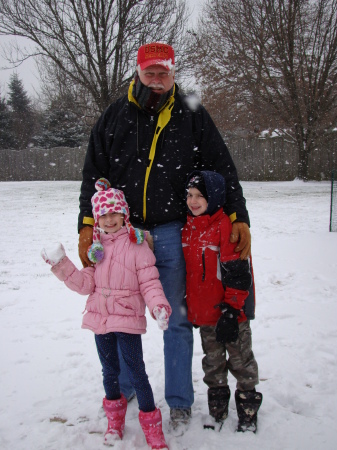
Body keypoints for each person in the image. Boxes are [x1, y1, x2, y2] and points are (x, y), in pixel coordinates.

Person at [77, 41, 252, 430]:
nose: (157, 79)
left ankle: (178, 400)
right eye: (150, 72)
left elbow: (222, 166)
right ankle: (123, 388)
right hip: (122, 234)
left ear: (173, 72)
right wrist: (87, 226)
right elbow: (93, 175)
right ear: (138, 72)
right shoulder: (114, 116)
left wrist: (238, 215)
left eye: (164, 72)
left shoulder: (192, 113)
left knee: (173, 317)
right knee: (120, 314)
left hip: (174, 231)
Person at [41, 178, 171, 449]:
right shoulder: (96, 251)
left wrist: (158, 306)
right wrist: (62, 264)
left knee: (137, 372)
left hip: (126, 320)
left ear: (124, 215)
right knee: (109, 371)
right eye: (103, 215)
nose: (109, 219)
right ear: (97, 219)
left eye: (114, 213)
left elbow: (149, 282)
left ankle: (152, 426)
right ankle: (115, 421)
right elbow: (85, 284)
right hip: (101, 320)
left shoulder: (138, 247)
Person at [182, 170, 262, 433]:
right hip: (206, 315)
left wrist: (232, 309)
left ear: (214, 197)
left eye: (199, 196)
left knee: (241, 361)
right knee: (213, 363)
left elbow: (239, 273)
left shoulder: (225, 226)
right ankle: (217, 409)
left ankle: (248, 410)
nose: (193, 201)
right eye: (190, 195)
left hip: (231, 313)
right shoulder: (187, 228)